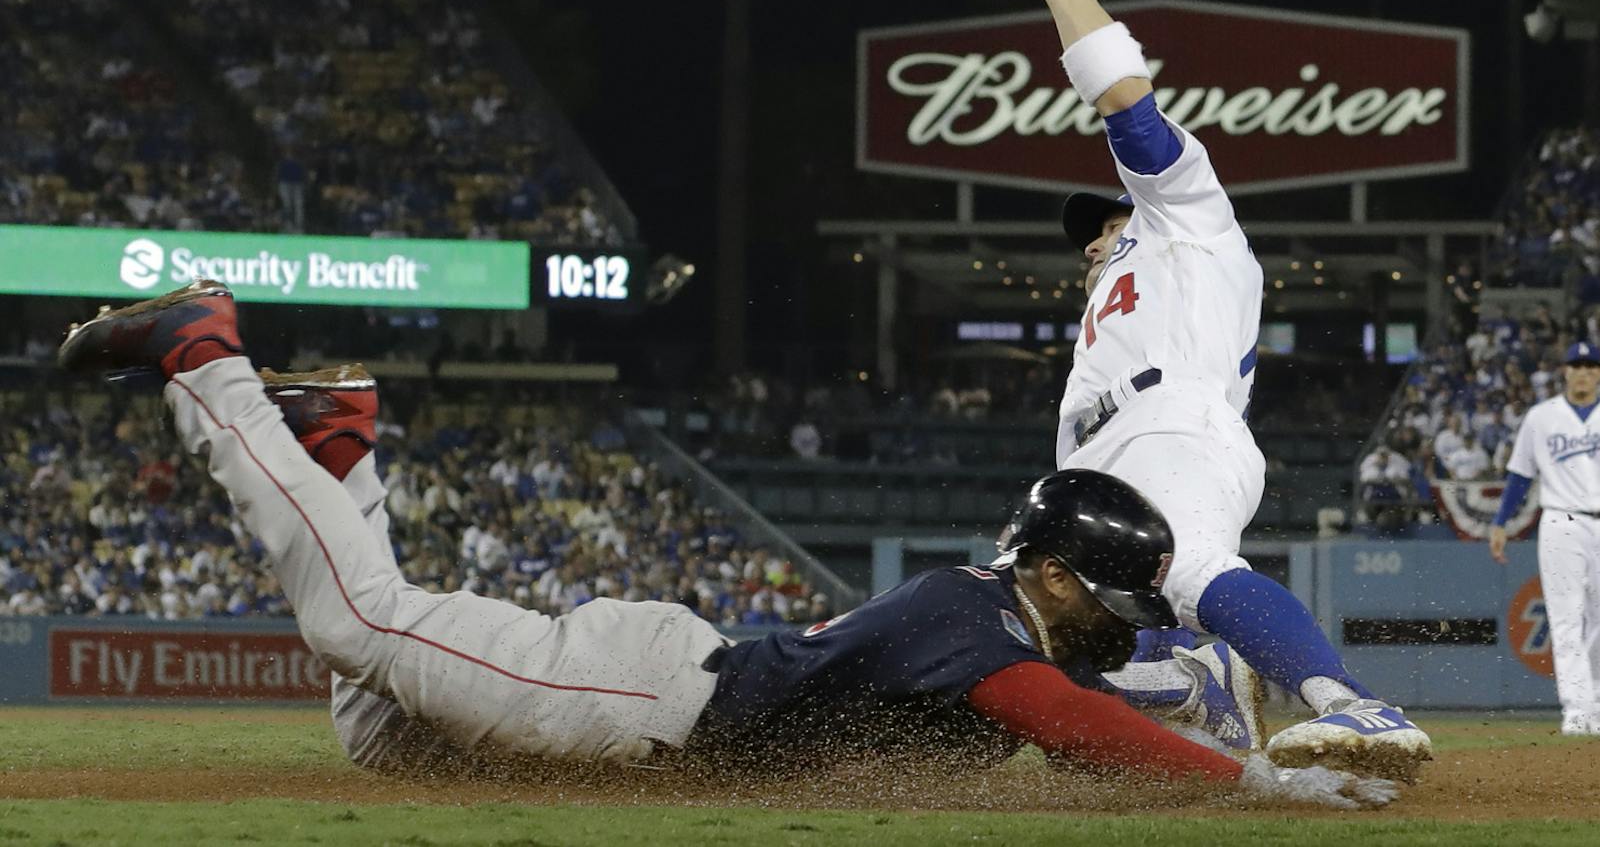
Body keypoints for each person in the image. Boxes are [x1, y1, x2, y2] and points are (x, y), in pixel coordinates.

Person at [56, 281, 1398, 808]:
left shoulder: (1016, 614)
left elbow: (1110, 707)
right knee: (361, 620)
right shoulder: (974, 618)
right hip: (652, 694)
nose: (1126, 611)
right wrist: (1255, 784)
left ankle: (342, 438)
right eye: (1113, 589)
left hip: (666, 693)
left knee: (382, 735)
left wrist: (1232, 705)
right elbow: (1072, 716)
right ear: (1053, 571)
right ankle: (206, 351)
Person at [1000, 0, 1430, 776]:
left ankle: (1354, 705)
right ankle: (1200, 685)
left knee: (1185, 565)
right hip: (1101, 453)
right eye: (1091, 233)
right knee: (1040, 639)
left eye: (1106, 220)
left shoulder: (1188, 214)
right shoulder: (1106, 316)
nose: (1093, 240)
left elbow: (1121, 96)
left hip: (1177, 422)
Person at [1486, 341, 1600, 737]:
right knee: (1564, 616)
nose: (1582, 372)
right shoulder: (1541, 417)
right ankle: (1576, 708)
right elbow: (1520, 474)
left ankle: (1592, 699)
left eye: (1590, 365)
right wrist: (1500, 522)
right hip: (1560, 521)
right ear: (1565, 371)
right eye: (1576, 365)